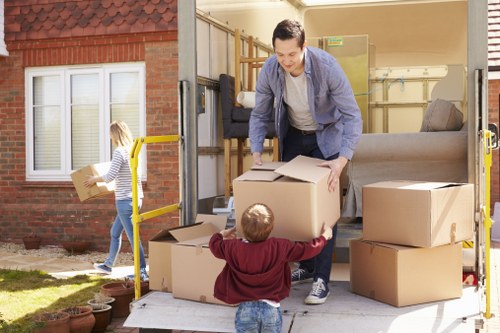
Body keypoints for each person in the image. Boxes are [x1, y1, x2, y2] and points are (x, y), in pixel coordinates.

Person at [249, 19, 363, 304]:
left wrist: (342, 160)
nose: (286, 61)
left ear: (304, 47)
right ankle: (307, 266)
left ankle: (322, 279)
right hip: (294, 137)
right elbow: (260, 113)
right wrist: (255, 152)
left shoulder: (328, 67)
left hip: (327, 140)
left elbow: (353, 116)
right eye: (280, 54)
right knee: (295, 205)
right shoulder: (269, 69)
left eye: (292, 54)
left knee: (324, 208)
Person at [209, 203, 332, 333]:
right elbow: (308, 249)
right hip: (271, 309)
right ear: (271, 228)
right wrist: (324, 237)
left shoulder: (233, 248)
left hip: (245, 309)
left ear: (243, 228)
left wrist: (221, 234)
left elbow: (214, 245)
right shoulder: (280, 246)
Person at [84, 120, 148, 281]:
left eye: (111, 135)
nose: (110, 138)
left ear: (115, 134)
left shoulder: (120, 152)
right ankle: (108, 265)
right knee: (115, 232)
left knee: (133, 236)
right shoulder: (133, 151)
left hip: (125, 201)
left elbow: (110, 175)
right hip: (135, 198)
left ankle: (141, 271)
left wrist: (94, 179)